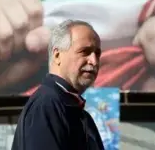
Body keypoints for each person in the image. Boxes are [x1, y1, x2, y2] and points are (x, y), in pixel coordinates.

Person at [10, 19, 104, 150]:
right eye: (85, 52)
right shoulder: (45, 106)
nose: (94, 61)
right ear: (57, 55)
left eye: (97, 54)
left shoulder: (81, 115)